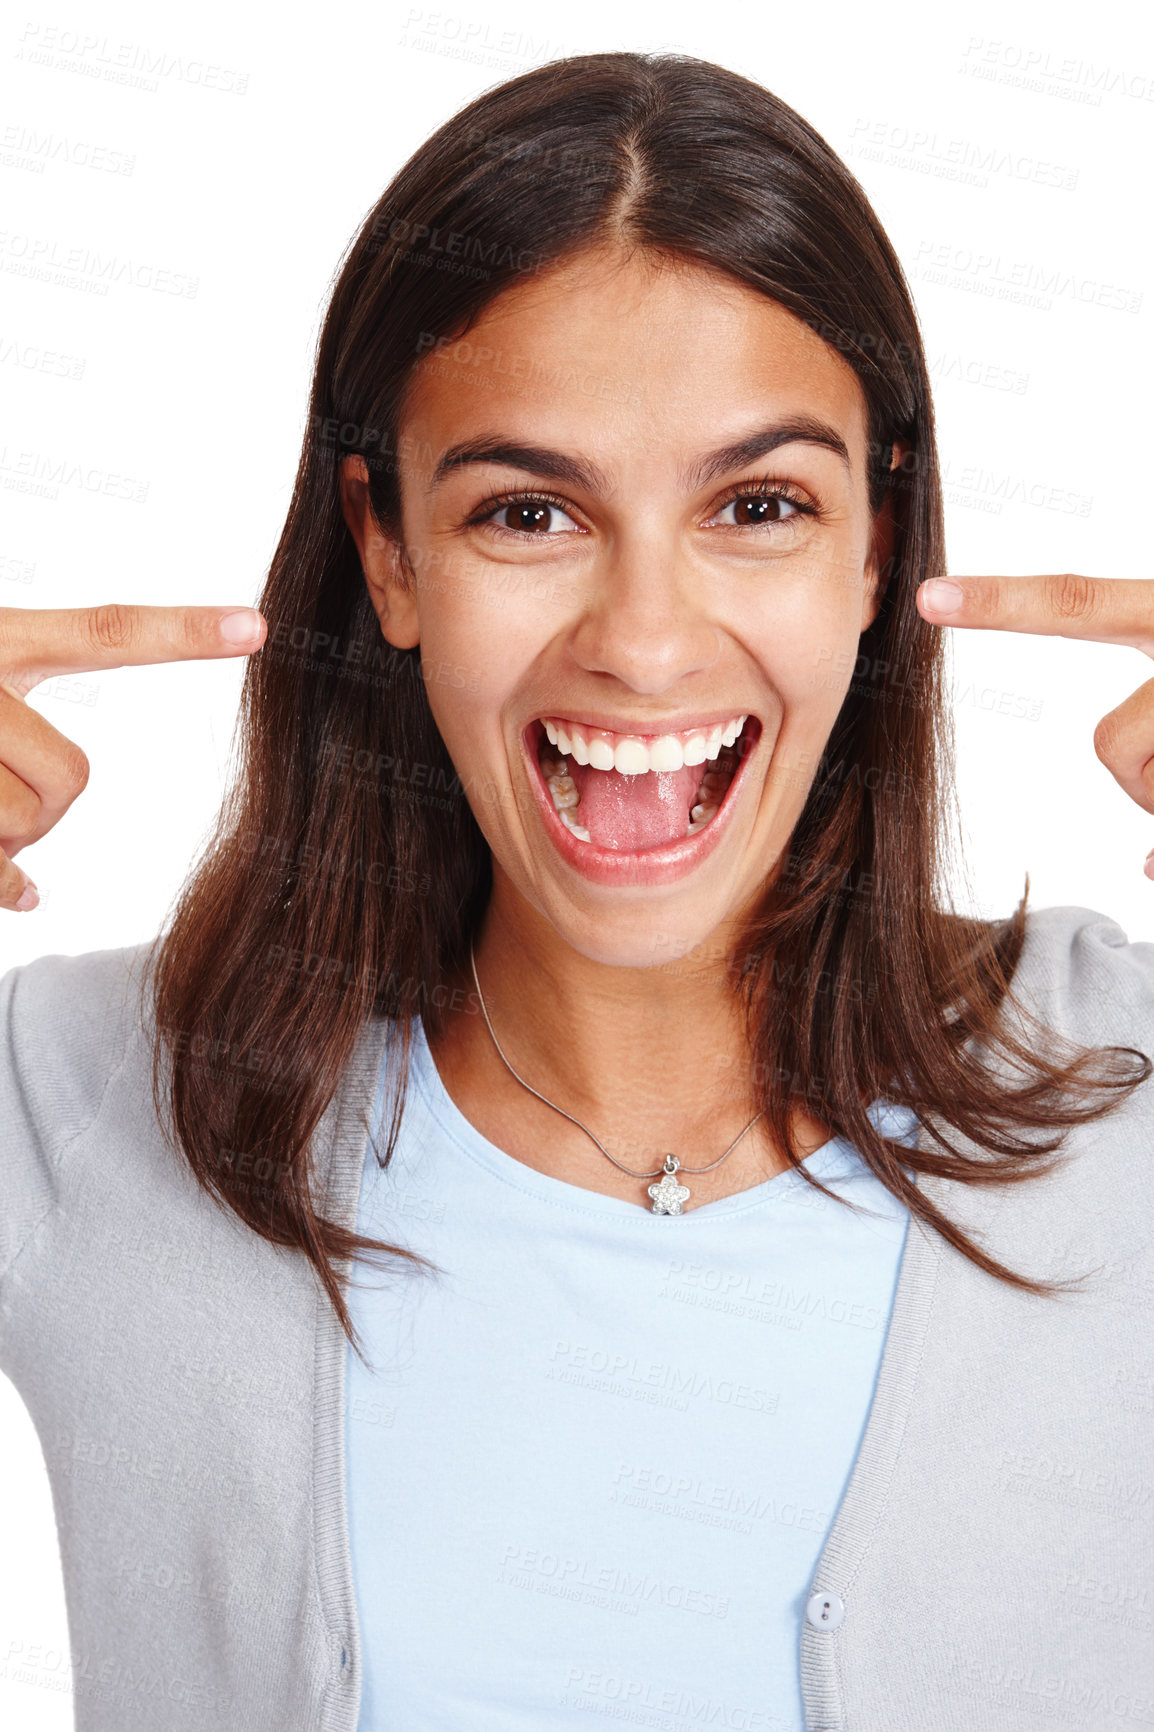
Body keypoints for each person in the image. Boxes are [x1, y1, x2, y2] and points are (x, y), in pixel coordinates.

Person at [2, 49, 1152, 1732]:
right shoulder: (88, 1110)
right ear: (386, 550)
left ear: (873, 546)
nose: (644, 640)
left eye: (758, 505)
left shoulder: (1118, 1091)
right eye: (528, 511)